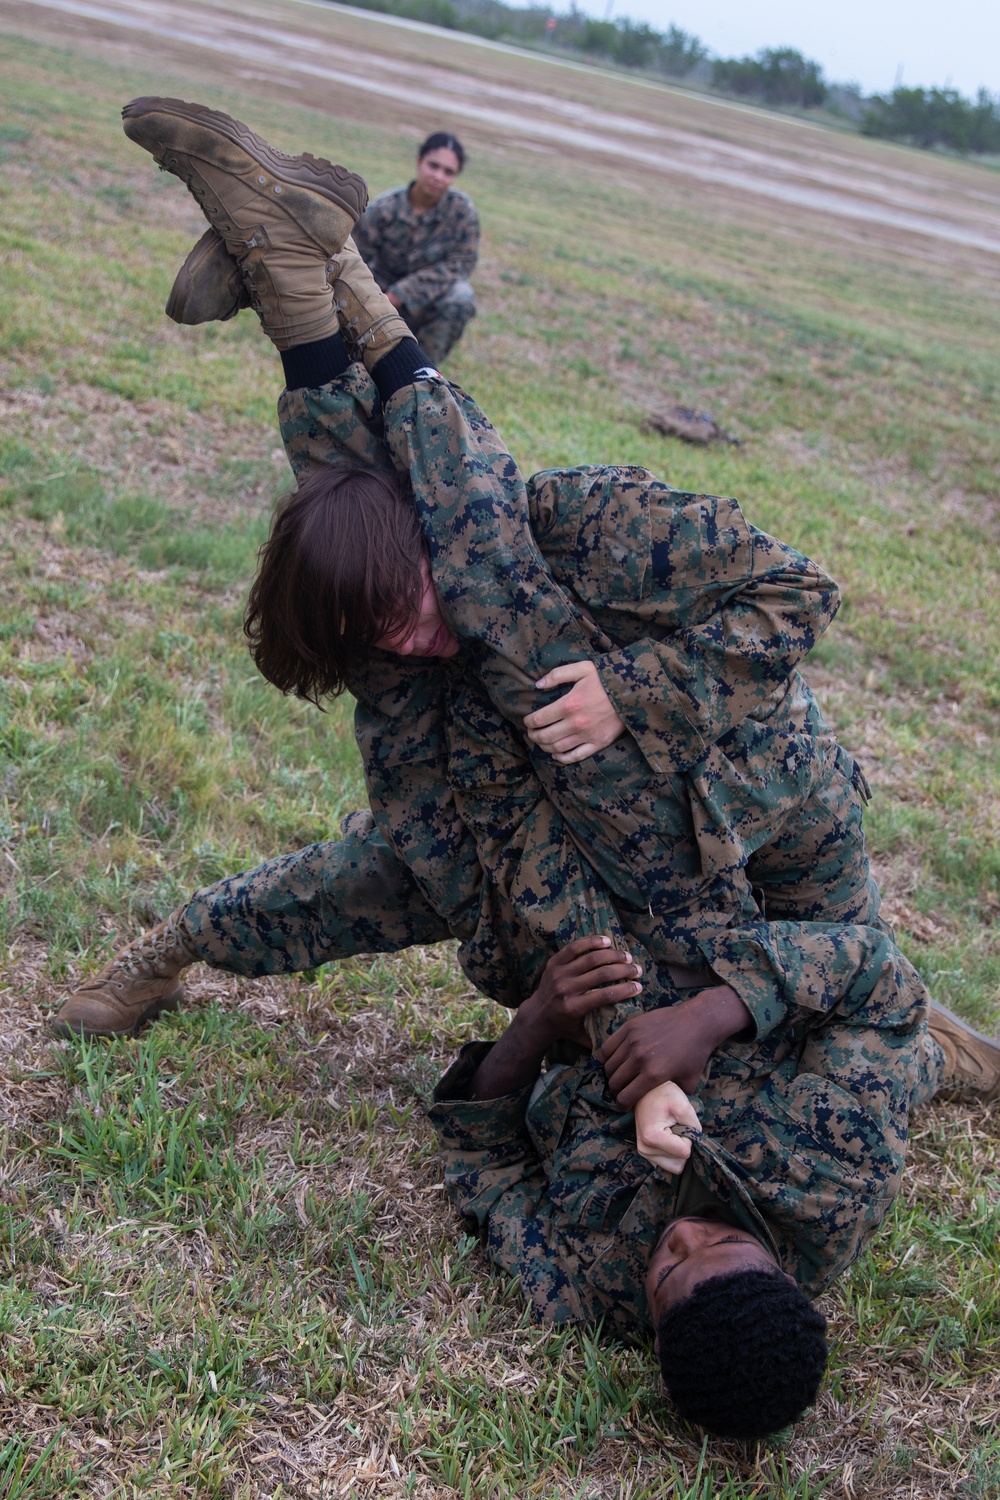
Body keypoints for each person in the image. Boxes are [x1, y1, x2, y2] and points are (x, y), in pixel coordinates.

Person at [52, 100, 1000, 1114]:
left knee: (840, 993)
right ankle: (294, 261)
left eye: (410, 598)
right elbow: (369, 539)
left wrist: (629, 692)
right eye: (374, 633)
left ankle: (301, 263)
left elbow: (798, 593)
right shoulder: (404, 640)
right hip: (536, 824)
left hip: (761, 801)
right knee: (361, 602)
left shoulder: (586, 523)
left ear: (430, 525)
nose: (403, 637)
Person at [429, 921, 973, 1439]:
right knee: (905, 1059)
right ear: (785, 1279)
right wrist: (710, 1015)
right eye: (723, 1240)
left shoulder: (588, 1291)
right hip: (737, 949)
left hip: (584, 1019)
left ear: (658, 1341)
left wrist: (535, 1020)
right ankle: (943, 1053)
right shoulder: (836, 1173)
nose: (684, 1237)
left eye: (669, 1272)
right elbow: (875, 976)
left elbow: (488, 1166)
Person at [350, 130, 478, 365]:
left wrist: (402, 294)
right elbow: (354, 260)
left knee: (461, 297)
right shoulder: (383, 209)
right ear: (419, 162)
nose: (438, 176)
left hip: (426, 301)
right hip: (376, 300)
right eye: (433, 166)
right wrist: (377, 300)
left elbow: (460, 264)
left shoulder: (461, 213)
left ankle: (423, 372)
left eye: (448, 172)